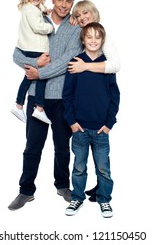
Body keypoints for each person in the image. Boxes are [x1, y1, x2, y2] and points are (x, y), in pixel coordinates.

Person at [8, 0, 83, 210]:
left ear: (72, 3)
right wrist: (34, 63)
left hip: (62, 97)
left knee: (62, 146)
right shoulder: (36, 17)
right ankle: (25, 191)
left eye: (68, 1)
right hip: (35, 97)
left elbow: (67, 61)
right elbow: (17, 53)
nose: (63, 5)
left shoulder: (75, 27)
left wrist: (39, 72)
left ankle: (62, 186)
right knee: (32, 147)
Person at [62, 22, 120, 217]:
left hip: (101, 129)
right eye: (89, 37)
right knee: (79, 167)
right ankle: (77, 197)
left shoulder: (106, 65)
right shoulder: (75, 62)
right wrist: (72, 122)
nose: (93, 40)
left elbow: (115, 97)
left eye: (97, 37)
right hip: (80, 128)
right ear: (83, 39)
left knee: (103, 169)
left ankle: (104, 200)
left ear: (102, 40)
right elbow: (67, 95)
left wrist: (109, 123)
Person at [11, 0, 53, 124]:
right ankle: (39, 108)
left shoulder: (27, 8)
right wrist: (50, 27)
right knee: (41, 75)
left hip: (28, 48)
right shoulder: (32, 10)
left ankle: (19, 105)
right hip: (36, 49)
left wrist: (45, 11)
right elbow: (38, 27)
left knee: (29, 77)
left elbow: (38, 10)